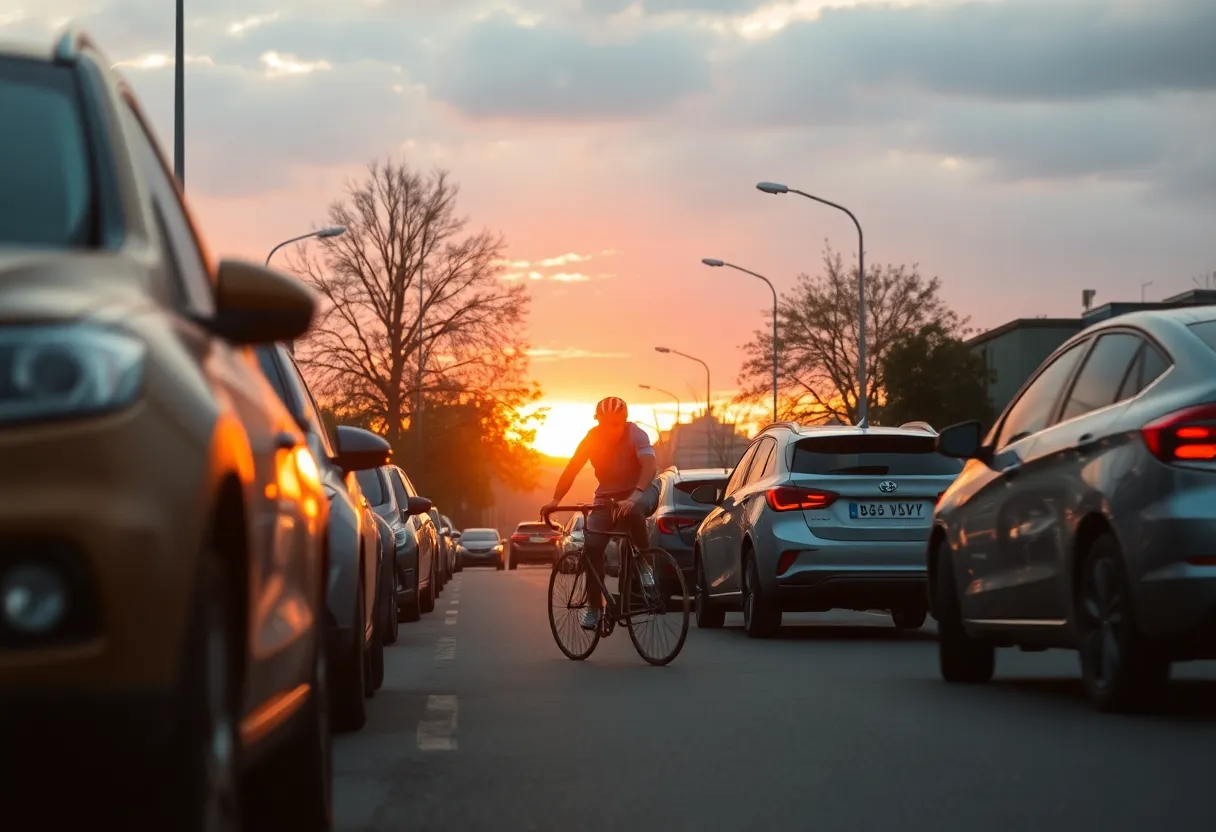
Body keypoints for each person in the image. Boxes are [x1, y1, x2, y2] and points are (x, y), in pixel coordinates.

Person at [541, 396, 660, 630]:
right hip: (606, 496)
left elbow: (649, 467)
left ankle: (645, 568)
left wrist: (633, 496)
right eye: (605, 424)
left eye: (615, 424)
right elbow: (572, 468)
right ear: (598, 422)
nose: (610, 429)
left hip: (642, 490)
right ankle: (595, 608)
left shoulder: (637, 434)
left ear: (624, 421)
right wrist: (556, 499)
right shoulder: (592, 438)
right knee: (593, 548)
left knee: (634, 512)